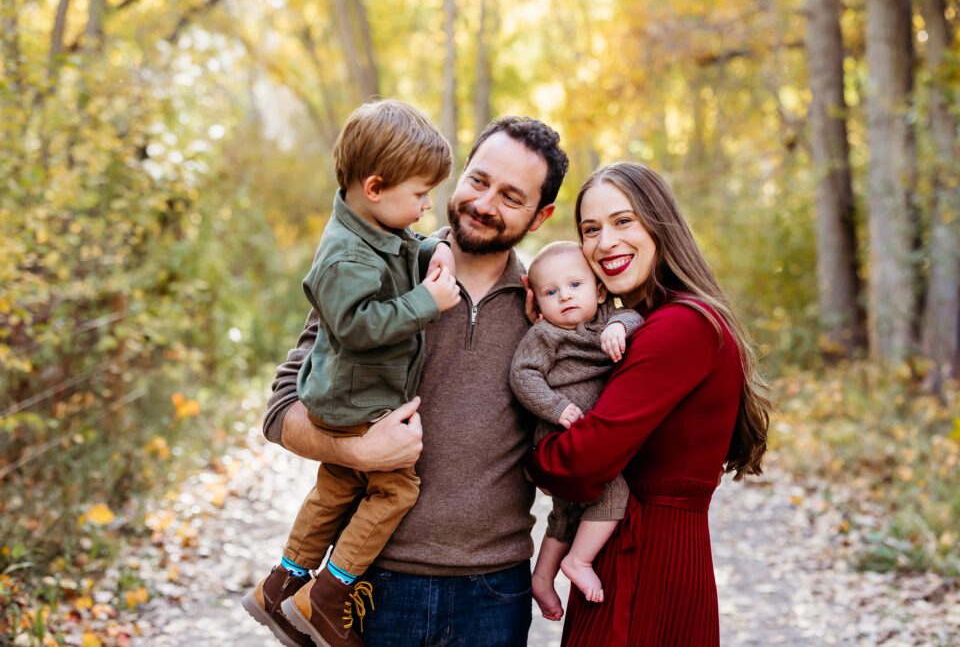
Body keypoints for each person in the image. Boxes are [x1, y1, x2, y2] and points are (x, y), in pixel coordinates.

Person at [260, 116, 569, 646]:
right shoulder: (377, 270)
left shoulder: (552, 305)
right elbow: (279, 410)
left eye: (511, 196)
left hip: (494, 590)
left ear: (541, 217)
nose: (484, 203)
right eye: (478, 180)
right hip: (370, 583)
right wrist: (356, 453)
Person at [242, 99, 460, 647]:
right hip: (356, 404)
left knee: (337, 487)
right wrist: (426, 302)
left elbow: (404, 247)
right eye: (419, 195)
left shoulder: (372, 230)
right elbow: (358, 326)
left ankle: (280, 584)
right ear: (376, 187)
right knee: (395, 490)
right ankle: (329, 595)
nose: (426, 206)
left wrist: (435, 248)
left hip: (351, 399)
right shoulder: (344, 258)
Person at [527, 162, 771, 647]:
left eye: (623, 221)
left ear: (659, 224)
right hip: (633, 551)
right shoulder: (647, 321)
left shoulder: (678, 326)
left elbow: (581, 463)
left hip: (647, 563)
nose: (604, 242)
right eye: (590, 230)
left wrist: (531, 455)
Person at [509, 241, 643, 620]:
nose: (565, 297)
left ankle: (542, 576)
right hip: (560, 433)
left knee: (565, 512)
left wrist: (618, 325)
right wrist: (555, 406)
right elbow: (523, 375)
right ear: (537, 302)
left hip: (590, 434)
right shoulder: (545, 335)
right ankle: (579, 561)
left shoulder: (608, 318)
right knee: (613, 489)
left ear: (599, 289)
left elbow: (634, 318)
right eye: (552, 292)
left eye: (575, 285)